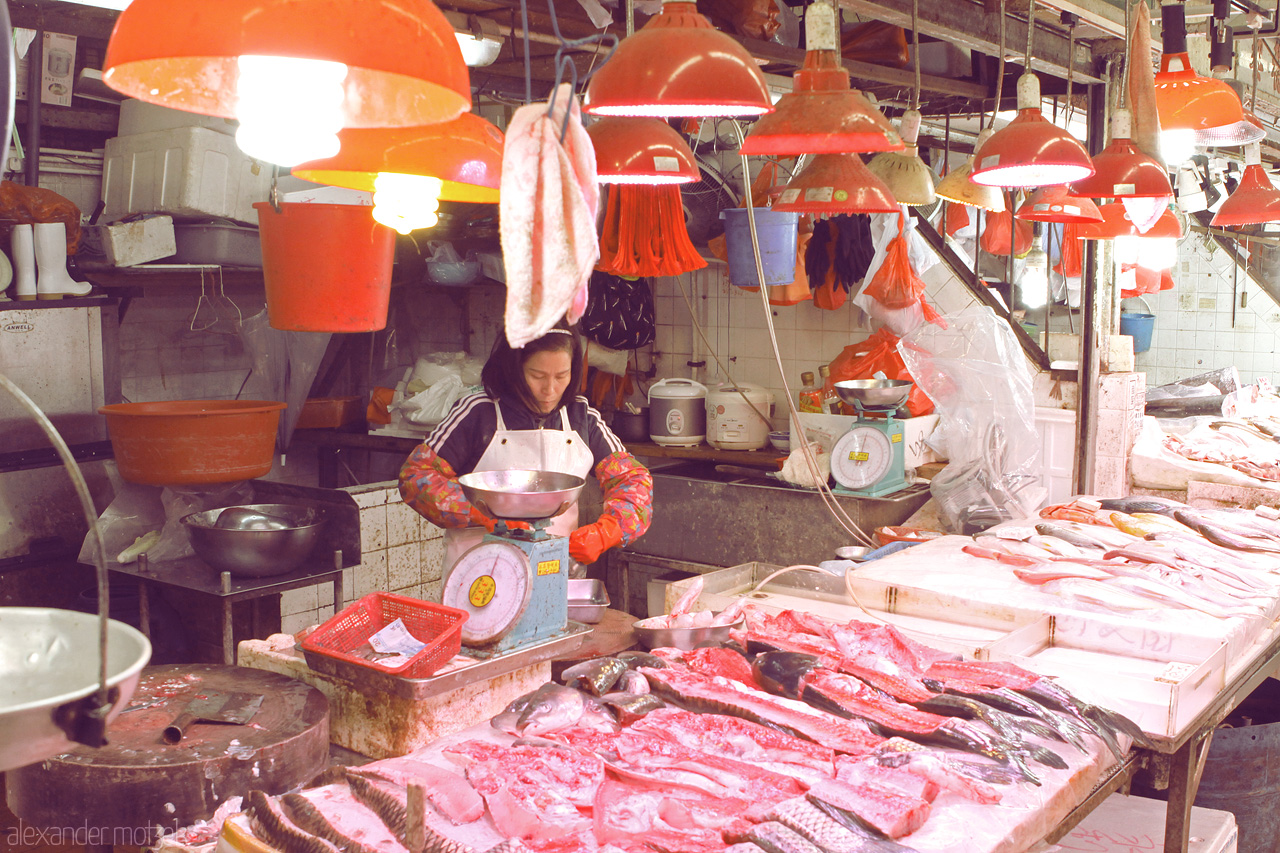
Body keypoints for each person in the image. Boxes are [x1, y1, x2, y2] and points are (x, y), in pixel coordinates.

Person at [399, 326, 653, 573]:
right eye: (537, 376)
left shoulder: (581, 417)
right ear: (514, 369)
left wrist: (607, 531)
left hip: (556, 574)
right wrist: (482, 511)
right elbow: (416, 477)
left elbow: (632, 479)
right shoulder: (477, 412)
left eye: (561, 376)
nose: (550, 390)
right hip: (478, 577)